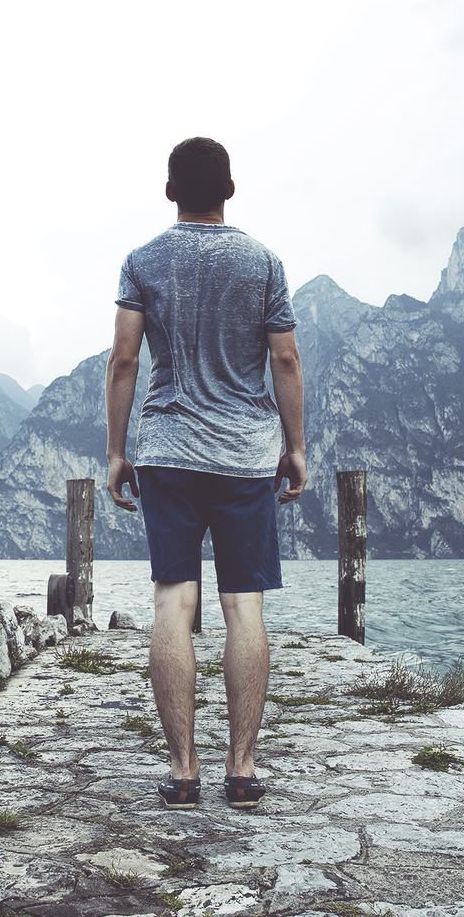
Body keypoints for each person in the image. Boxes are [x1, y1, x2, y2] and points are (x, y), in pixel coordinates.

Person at [104, 136, 307, 810]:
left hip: (167, 453)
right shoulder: (264, 263)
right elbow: (285, 362)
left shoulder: (143, 261)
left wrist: (116, 451)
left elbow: (125, 361)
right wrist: (295, 444)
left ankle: (183, 771)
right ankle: (242, 771)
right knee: (242, 607)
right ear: (230, 190)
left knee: (174, 603)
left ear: (170, 192)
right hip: (245, 459)